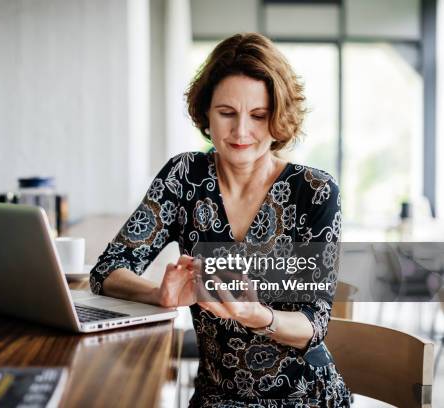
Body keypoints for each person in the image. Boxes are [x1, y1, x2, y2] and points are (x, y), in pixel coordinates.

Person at [89, 33, 351, 407]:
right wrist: (159, 296)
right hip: (220, 396)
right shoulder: (185, 177)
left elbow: (315, 325)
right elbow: (108, 269)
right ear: (206, 114)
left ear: (278, 119)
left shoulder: (315, 191)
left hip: (306, 397)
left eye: (258, 116)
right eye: (226, 113)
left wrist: (256, 315)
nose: (241, 132)